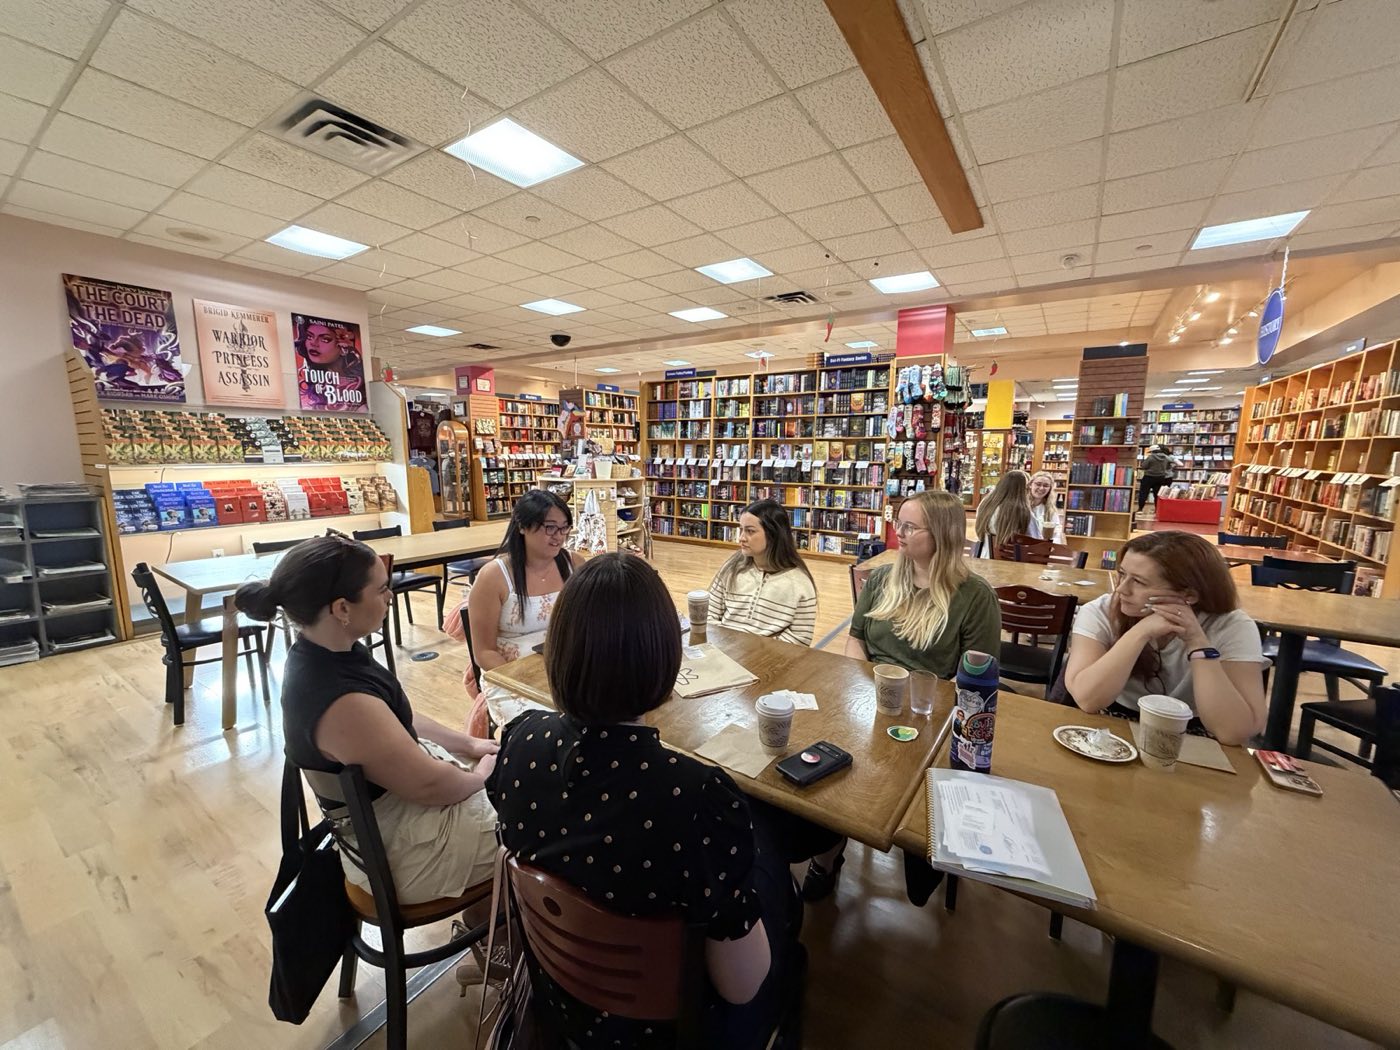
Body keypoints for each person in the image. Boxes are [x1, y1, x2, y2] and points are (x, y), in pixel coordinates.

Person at [487, 554, 807, 1049]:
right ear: (665, 659)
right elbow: (741, 986)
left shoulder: (519, 741)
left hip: (561, 1004)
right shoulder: (700, 798)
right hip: (669, 1033)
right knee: (786, 922)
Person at [235, 535, 498, 903]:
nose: (390, 597)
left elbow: (397, 718)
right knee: (544, 818)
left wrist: (469, 743)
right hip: (405, 853)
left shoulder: (326, 652)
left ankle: (493, 919)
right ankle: (508, 925)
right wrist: (482, 777)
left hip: (400, 819)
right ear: (342, 608)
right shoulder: (340, 700)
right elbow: (430, 786)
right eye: (381, 589)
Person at [1063, 531, 1267, 745]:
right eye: (1122, 574)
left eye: (1139, 582)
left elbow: (1233, 732)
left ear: (1189, 595)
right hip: (1112, 724)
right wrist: (1140, 633)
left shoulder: (1232, 626)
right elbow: (1088, 700)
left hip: (1194, 734)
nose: (1122, 589)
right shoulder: (1100, 612)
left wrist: (1197, 643)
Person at [846, 489, 1002, 678]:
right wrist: (859, 682)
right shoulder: (880, 578)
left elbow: (977, 673)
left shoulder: (977, 596)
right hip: (873, 686)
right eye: (899, 523)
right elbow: (856, 639)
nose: (898, 532)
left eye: (909, 527)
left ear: (942, 534)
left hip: (930, 693)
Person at [468, 489, 585, 728]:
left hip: (564, 665)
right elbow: (484, 652)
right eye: (550, 528)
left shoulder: (574, 564)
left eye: (564, 528)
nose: (559, 537)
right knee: (551, 727)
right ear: (522, 526)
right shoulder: (494, 576)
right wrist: (527, 680)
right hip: (510, 675)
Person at [707, 499, 818, 646]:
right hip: (722, 648)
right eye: (741, 529)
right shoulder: (732, 568)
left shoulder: (800, 584)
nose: (741, 538)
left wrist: (756, 652)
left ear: (773, 534)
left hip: (769, 657)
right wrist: (725, 645)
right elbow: (708, 614)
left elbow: (799, 639)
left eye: (750, 531)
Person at [972, 469, 1041, 558]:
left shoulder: (985, 504)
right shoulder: (1022, 512)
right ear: (1024, 489)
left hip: (983, 555)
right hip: (1011, 560)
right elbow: (1036, 541)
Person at [1028, 470, 1065, 544]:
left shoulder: (1050, 510)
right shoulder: (1021, 506)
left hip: (1042, 548)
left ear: (1050, 489)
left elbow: (1056, 534)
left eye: (1046, 485)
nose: (1041, 488)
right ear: (1030, 485)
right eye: (1038, 484)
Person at [1138, 444, 1177, 512]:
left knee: (1143, 493)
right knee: (1157, 494)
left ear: (1152, 451)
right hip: (1160, 478)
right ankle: (1157, 509)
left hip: (1149, 477)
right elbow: (1172, 461)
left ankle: (1140, 509)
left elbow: (1143, 466)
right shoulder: (1165, 457)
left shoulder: (1150, 457)